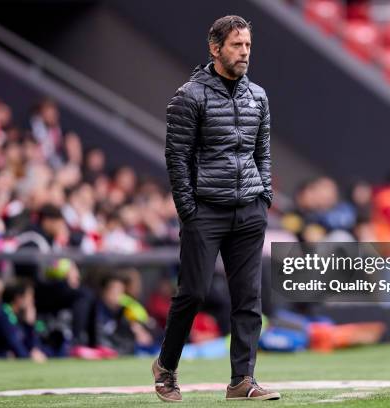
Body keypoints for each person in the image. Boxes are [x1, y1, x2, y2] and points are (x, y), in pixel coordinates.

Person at [153, 15, 280, 402]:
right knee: (192, 293)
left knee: (248, 299)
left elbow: (263, 152)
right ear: (215, 48)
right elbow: (176, 158)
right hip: (205, 211)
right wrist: (189, 210)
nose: (244, 53)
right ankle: (166, 368)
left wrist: (265, 196)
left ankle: (242, 380)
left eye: (247, 46)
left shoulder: (258, 96)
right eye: (236, 46)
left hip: (250, 211)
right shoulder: (189, 96)